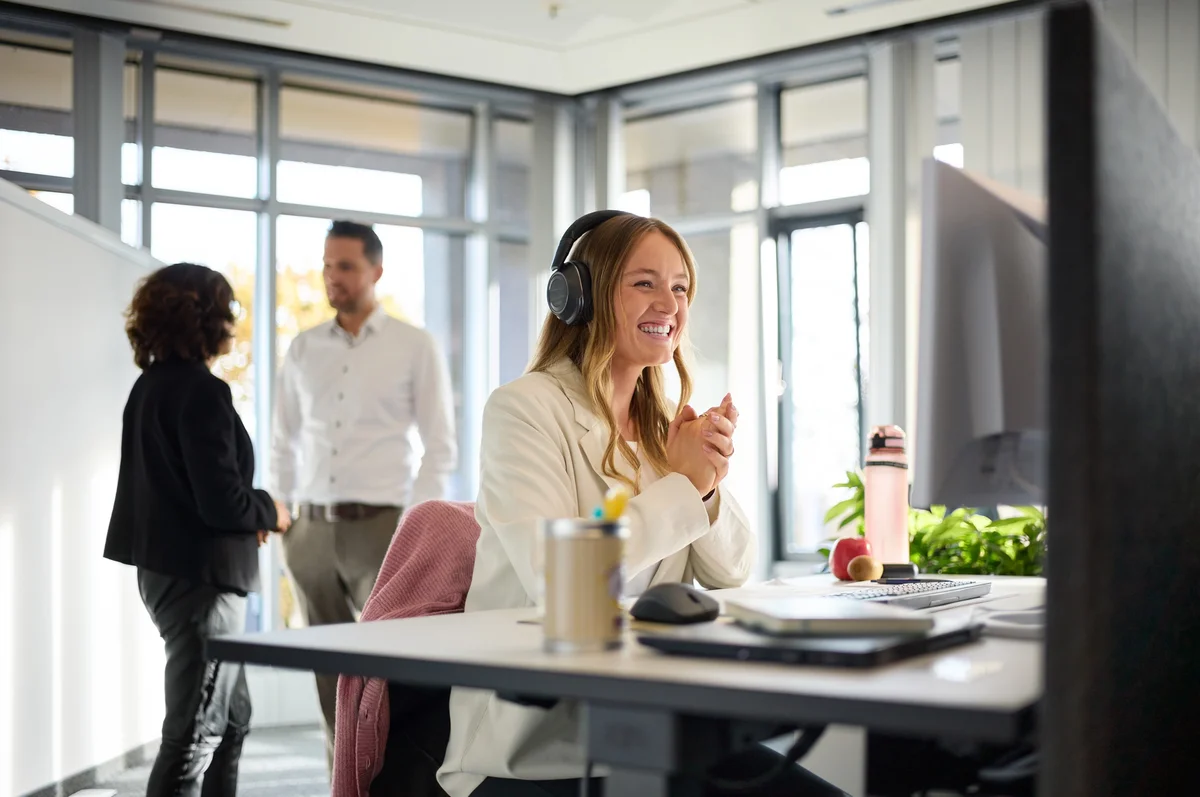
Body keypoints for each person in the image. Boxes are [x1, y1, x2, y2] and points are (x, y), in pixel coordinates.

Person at [435, 211, 847, 797]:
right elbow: (562, 581)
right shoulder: (524, 409)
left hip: (655, 728)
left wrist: (704, 484)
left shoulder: (660, 429)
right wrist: (681, 484)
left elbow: (730, 571)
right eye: (645, 283)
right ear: (580, 294)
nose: (669, 304)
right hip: (536, 752)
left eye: (680, 287)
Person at [271, 219, 457, 764]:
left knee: (390, 663)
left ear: (375, 270)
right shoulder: (304, 349)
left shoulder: (413, 345)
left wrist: (413, 522)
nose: (334, 277)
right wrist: (282, 508)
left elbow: (440, 444)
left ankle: (396, 773)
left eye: (346, 267)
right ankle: (344, 771)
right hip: (310, 530)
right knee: (328, 667)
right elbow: (284, 436)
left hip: (383, 526)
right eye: (328, 266)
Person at [104, 263, 291, 797]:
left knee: (231, 723)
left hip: (171, 576)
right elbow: (223, 503)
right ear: (207, 319)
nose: (233, 321)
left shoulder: (151, 386)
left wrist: (242, 514)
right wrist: (269, 511)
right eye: (227, 310)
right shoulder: (202, 393)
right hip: (202, 585)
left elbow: (186, 494)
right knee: (193, 737)